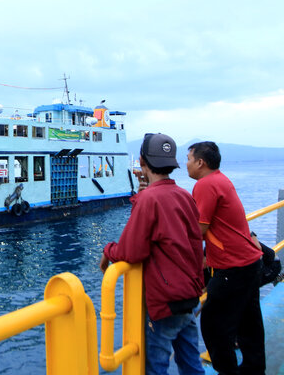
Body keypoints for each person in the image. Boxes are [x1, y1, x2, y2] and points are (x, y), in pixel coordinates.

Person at [100, 133, 205, 375]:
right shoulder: (184, 196)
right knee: (191, 363)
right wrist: (142, 193)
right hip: (188, 294)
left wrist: (108, 250)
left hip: (165, 301)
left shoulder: (149, 199)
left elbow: (130, 251)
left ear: (142, 161)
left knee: (155, 367)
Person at [186, 141, 265, 374]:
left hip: (233, 267)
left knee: (213, 326)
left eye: (189, 159)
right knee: (249, 323)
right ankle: (253, 369)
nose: (186, 164)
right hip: (250, 261)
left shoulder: (206, 185)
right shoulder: (221, 179)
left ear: (201, 163)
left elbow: (198, 230)